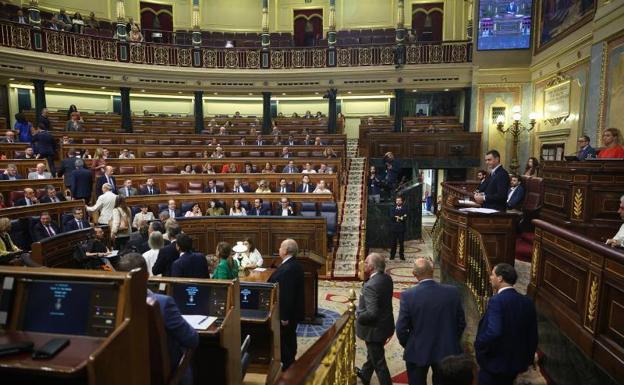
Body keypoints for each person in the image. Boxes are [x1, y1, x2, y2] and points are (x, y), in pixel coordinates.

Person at [117, 252, 199, 385]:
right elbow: (192, 339)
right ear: (147, 276)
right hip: (163, 376)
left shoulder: (113, 305)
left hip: (127, 374)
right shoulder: (163, 303)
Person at [395, 257, 466, 385]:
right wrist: (450, 338)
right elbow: (461, 322)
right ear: (432, 270)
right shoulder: (452, 292)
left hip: (417, 350)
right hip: (446, 350)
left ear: (414, 274)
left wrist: (410, 343)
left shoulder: (408, 296)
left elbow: (401, 329)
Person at [475, 263, 538, 385]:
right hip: (516, 364)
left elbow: (494, 331)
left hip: (494, 365)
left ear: (500, 278)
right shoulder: (527, 302)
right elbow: (533, 335)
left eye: (492, 274)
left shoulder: (497, 301)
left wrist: (479, 344)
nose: (490, 277)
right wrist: (527, 361)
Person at [355, 253, 394, 385]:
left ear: (371, 267)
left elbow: (372, 314)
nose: (363, 264)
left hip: (374, 330)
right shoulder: (387, 278)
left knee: (379, 362)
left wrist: (359, 317)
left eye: (365, 262)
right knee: (373, 353)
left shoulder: (371, 285)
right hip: (385, 325)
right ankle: (365, 374)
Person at [268, 239, 305, 370]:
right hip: (292, 312)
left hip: (287, 315)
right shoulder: (293, 265)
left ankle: (288, 369)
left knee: (286, 340)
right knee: (289, 337)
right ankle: (290, 363)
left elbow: (287, 295)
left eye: (280, 247)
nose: (279, 249)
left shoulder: (288, 269)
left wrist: (284, 317)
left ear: (285, 251)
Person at [389, 196, 407, 260]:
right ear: (396, 201)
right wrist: (401, 217)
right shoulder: (392, 208)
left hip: (401, 228)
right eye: (397, 200)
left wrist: (397, 217)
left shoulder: (405, 208)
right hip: (394, 228)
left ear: (402, 201)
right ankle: (392, 255)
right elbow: (391, 217)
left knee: (401, 243)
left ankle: (401, 255)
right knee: (393, 243)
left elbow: (405, 218)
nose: (398, 202)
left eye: (399, 200)